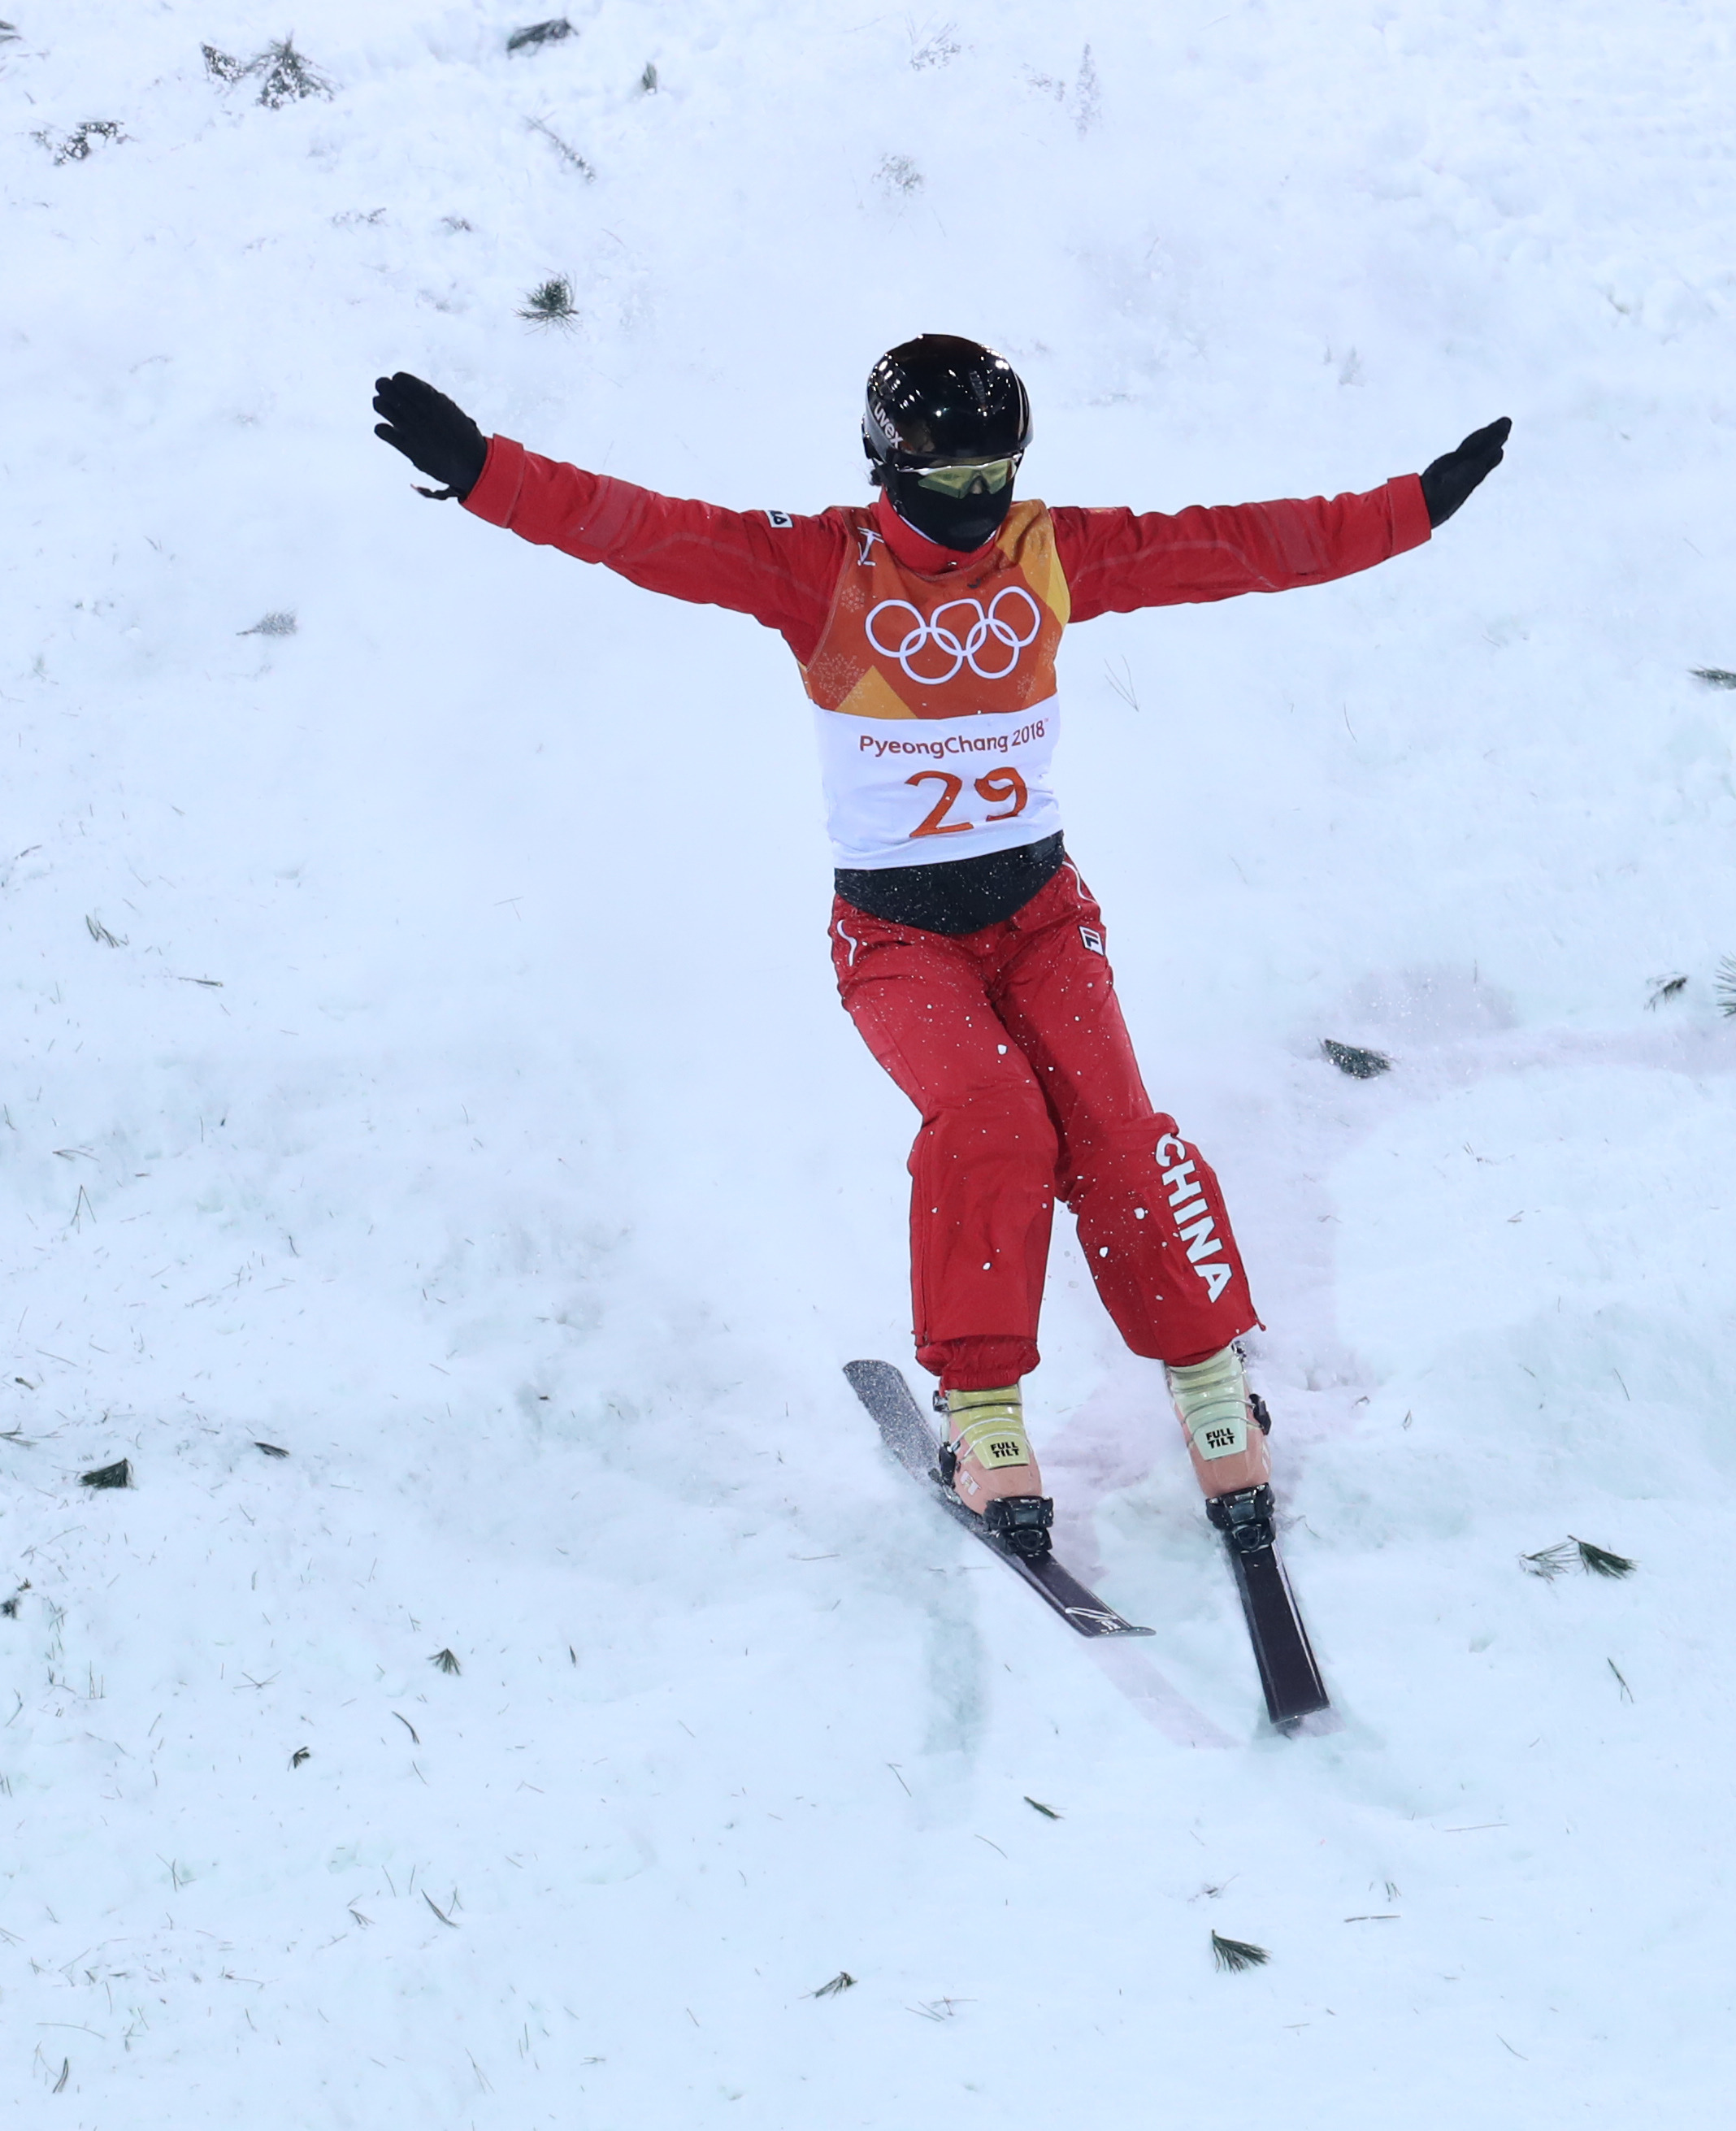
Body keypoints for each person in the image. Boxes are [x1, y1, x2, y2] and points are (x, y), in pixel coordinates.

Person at [372, 340, 1508, 1562]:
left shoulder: (1051, 553)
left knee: (1117, 1124)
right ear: (887, 466)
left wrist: (1415, 507)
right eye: (949, 483)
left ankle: (1207, 1373)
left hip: (1040, 919)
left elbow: (1243, 542)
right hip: (901, 937)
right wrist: (484, 470)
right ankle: (982, 1414)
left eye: (995, 480)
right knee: (993, 1121)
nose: (976, 512)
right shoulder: (814, 569)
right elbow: (632, 526)